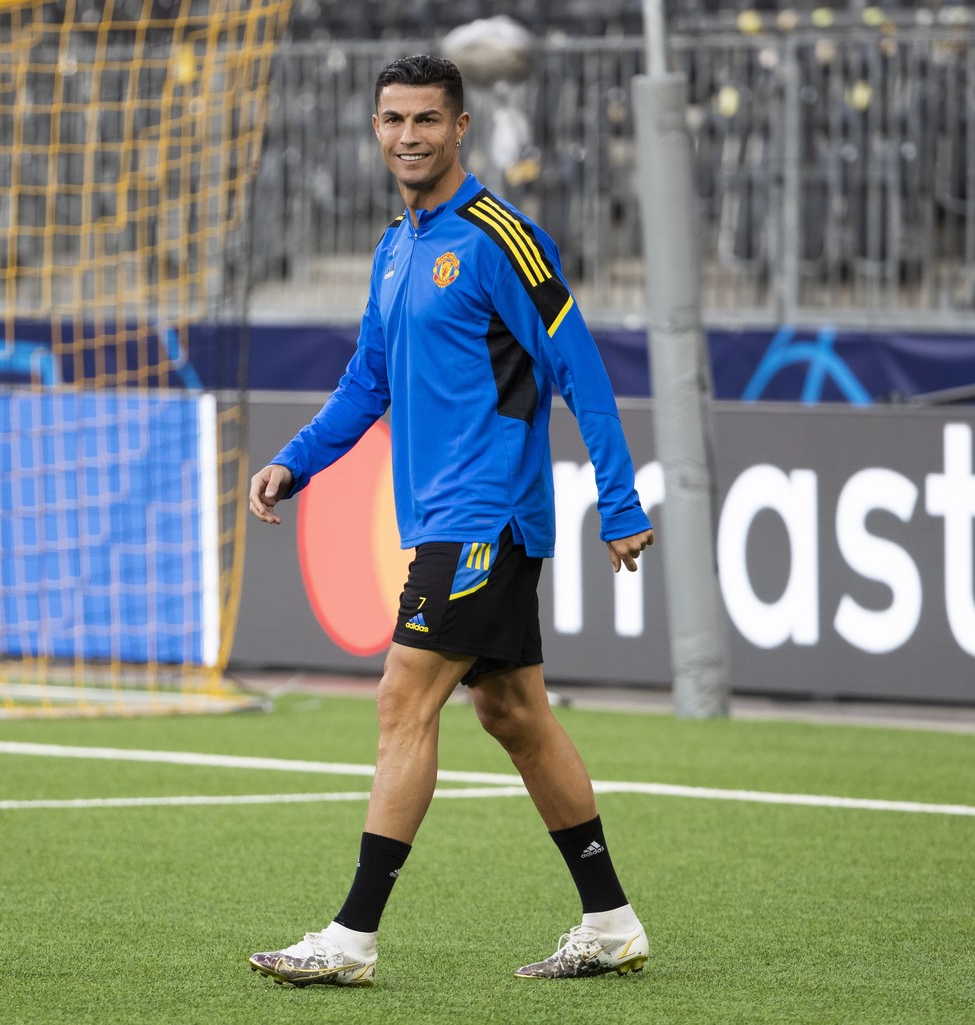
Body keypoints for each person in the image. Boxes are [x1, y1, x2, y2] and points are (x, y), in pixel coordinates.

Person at [246, 54, 656, 987]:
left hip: (487, 513)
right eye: (392, 119)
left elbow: (579, 368)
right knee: (514, 713)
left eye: (426, 119)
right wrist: (293, 462)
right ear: (376, 128)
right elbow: (367, 384)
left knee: (403, 698)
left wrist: (621, 497)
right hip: (441, 515)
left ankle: (351, 937)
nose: (408, 135)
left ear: (460, 127)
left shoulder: (500, 237)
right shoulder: (396, 246)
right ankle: (611, 919)